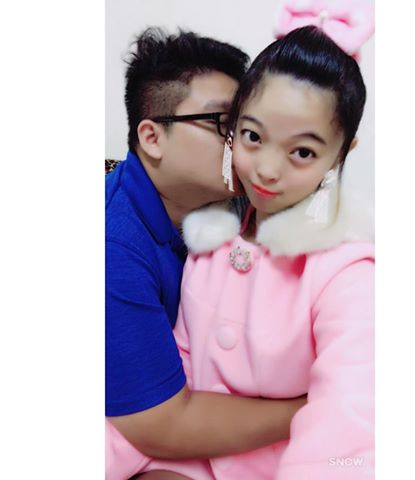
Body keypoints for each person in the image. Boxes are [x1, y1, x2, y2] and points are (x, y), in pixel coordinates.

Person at [147, 24, 375, 479]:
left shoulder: (348, 273)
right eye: (253, 137)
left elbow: (351, 418)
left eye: (302, 152)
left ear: (340, 154)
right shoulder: (210, 242)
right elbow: (175, 370)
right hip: (189, 457)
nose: (267, 169)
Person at [106, 28, 307, 480]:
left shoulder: (236, 202)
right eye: (223, 124)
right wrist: (316, 407)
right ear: (152, 137)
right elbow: (159, 425)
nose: (245, 143)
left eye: (247, 125)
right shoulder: (112, 249)